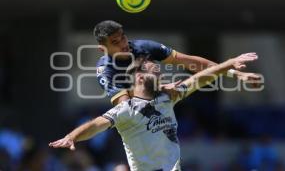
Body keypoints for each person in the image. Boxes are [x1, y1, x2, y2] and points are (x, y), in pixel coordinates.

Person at [49, 52, 258, 171]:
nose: (161, 73)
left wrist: (229, 65)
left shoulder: (168, 97)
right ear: (139, 77)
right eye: (155, 71)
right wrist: (72, 136)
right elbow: (95, 124)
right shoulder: (125, 110)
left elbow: (200, 78)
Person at [94, 20, 259, 105]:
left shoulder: (143, 47)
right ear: (103, 49)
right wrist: (160, 88)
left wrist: (236, 74)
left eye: (123, 36)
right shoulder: (105, 70)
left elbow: (188, 62)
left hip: (164, 108)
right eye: (115, 42)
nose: (123, 43)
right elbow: (125, 106)